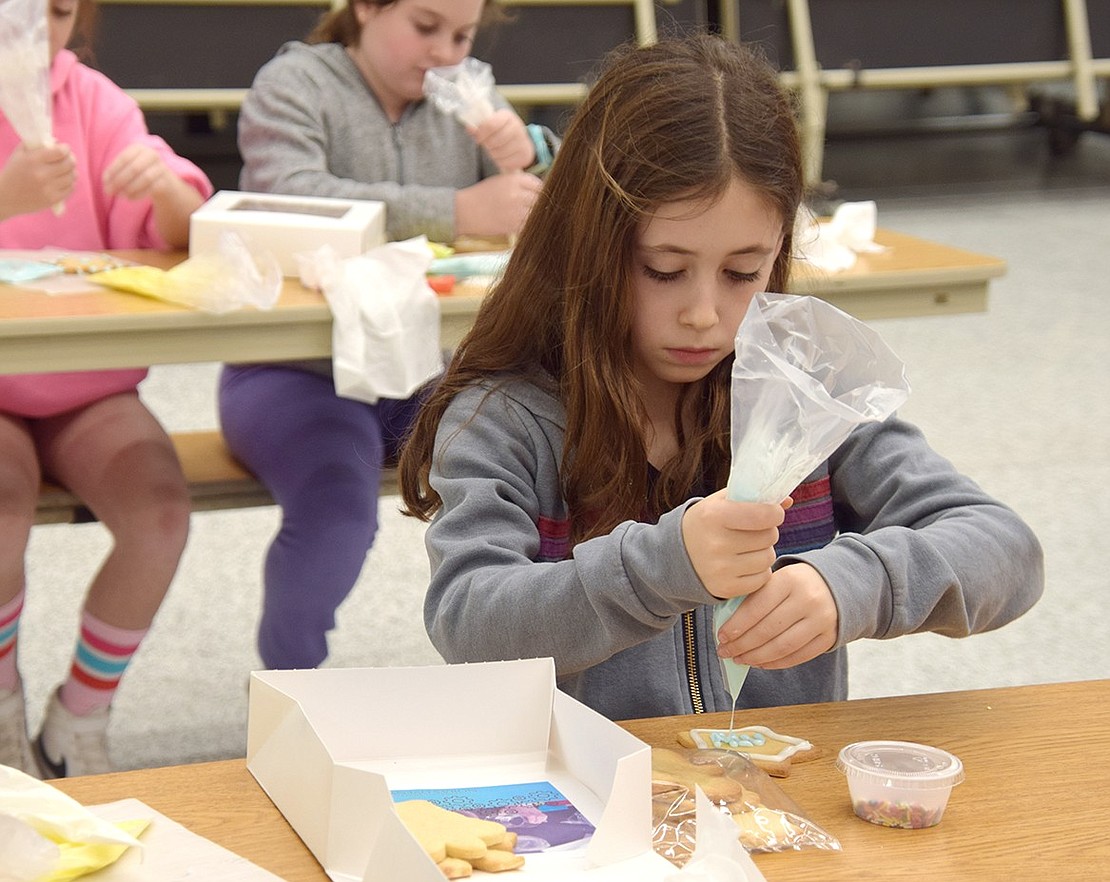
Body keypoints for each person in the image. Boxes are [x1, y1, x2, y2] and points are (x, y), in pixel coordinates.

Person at [398, 34, 1045, 721]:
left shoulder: (800, 398)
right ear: (587, 242)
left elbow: (1007, 553)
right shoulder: (507, 418)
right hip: (591, 800)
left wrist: (852, 584)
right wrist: (663, 565)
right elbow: (470, 623)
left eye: (743, 272)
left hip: (770, 800)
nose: (704, 315)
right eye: (663, 270)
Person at [221, 0, 555, 670]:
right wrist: (454, 210)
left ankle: (543, 676)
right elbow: (289, 194)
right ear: (365, 8)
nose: (443, 53)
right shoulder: (294, 86)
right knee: (336, 510)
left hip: (422, 372)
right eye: (425, 27)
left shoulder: (463, 106)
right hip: (296, 373)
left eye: (462, 37)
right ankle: (290, 696)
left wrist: (536, 158)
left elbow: (553, 212)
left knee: (546, 460)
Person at [0, 0, 213, 776]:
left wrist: (165, 192)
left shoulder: (90, 98)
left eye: (59, 12)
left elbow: (187, 231)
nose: (42, 30)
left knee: (160, 513)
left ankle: (79, 716)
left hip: (86, 383)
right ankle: (2, 710)